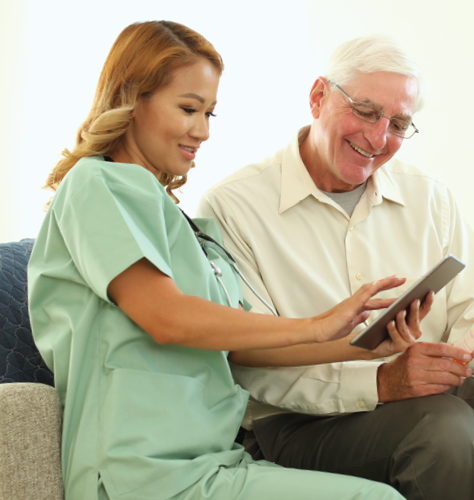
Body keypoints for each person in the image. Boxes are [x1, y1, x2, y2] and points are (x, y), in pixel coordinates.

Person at [27, 22, 431, 500]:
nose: (202, 131)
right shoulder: (97, 185)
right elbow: (166, 319)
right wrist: (318, 325)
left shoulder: (177, 220)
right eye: (188, 108)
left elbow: (237, 348)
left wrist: (360, 346)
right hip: (139, 473)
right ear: (134, 99)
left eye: (210, 113)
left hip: (213, 460)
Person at [198, 34, 474, 500]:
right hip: (303, 426)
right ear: (317, 97)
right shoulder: (233, 206)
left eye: (398, 123)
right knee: (441, 425)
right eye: (366, 112)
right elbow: (249, 360)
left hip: (434, 408)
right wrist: (381, 381)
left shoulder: (428, 197)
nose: (377, 138)